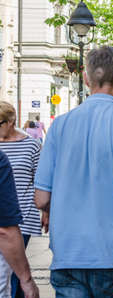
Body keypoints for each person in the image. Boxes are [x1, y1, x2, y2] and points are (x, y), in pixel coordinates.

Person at [34, 46, 113, 298]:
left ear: (86, 79)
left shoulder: (59, 126)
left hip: (68, 257)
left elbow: (41, 198)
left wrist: (51, 208)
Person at [0, 101, 42, 298]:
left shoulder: (31, 146)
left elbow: (40, 181)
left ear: (11, 121)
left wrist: (47, 211)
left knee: (15, 268)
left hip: (23, 215)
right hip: (3, 215)